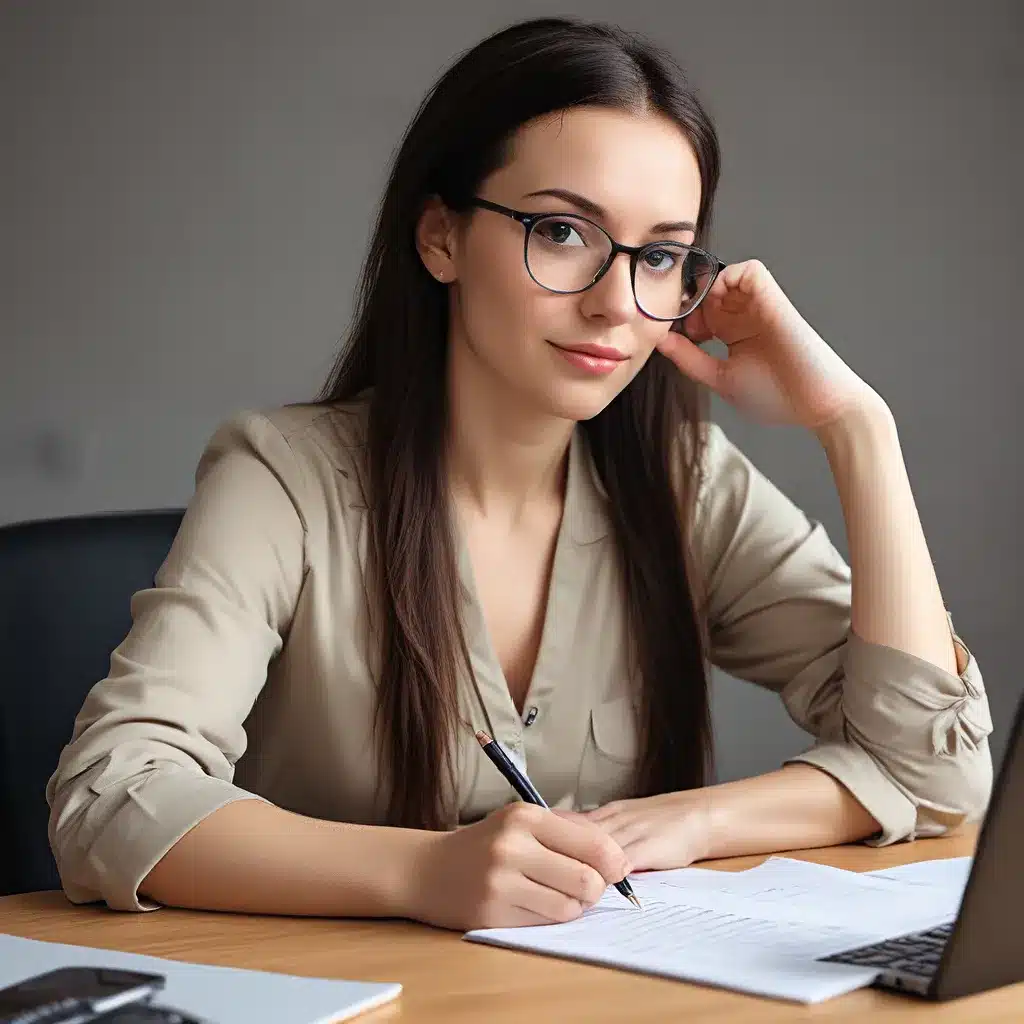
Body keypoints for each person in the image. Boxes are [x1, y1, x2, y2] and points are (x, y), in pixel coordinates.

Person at [46, 16, 993, 932]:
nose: (616, 305)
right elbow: (113, 797)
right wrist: (422, 871)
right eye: (562, 233)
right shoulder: (284, 478)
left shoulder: (683, 480)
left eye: (659, 255)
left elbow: (935, 769)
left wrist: (858, 430)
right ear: (441, 238)